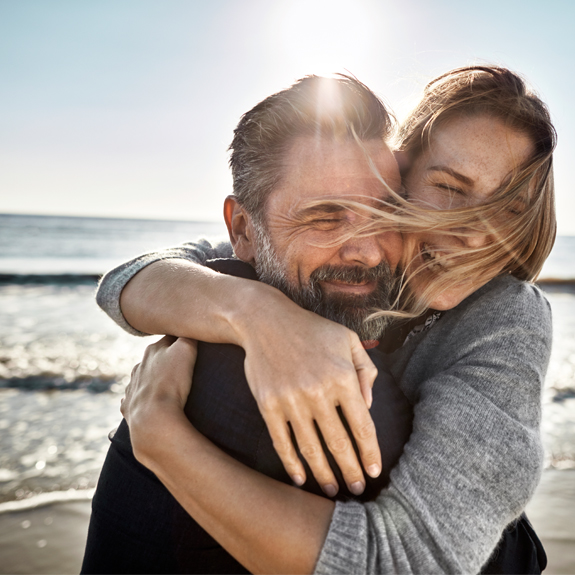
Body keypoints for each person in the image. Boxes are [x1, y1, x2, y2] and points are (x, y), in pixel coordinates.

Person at [99, 67, 555, 573]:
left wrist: (160, 436)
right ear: (403, 174)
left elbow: (415, 561)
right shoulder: (290, 268)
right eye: (450, 187)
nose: (473, 234)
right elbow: (129, 281)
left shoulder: (503, 314)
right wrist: (258, 314)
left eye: (508, 209)